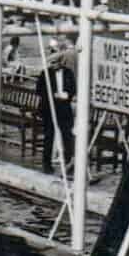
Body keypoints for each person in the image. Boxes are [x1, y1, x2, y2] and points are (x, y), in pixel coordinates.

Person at [39, 40, 76, 174]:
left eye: (56, 62)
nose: (53, 64)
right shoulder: (45, 74)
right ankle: (46, 164)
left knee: (67, 136)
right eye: (52, 62)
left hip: (64, 109)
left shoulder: (68, 73)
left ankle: (69, 164)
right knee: (49, 136)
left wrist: (68, 95)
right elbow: (39, 90)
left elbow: (73, 88)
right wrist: (52, 95)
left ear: (61, 62)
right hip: (50, 109)